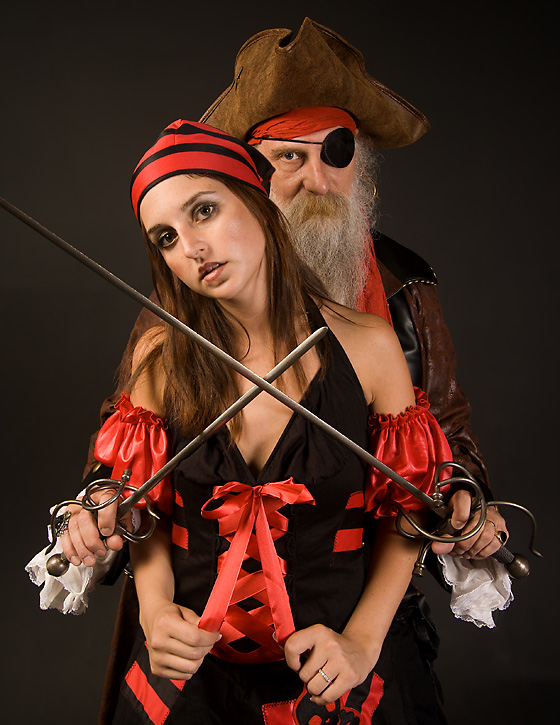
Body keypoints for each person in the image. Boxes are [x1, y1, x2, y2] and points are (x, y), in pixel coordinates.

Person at [60, 119, 454, 723]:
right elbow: (145, 509)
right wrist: (156, 611)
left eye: (205, 211)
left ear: (259, 204)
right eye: (166, 237)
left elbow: (409, 513)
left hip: (343, 678)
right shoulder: (161, 356)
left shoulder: (370, 347)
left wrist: (361, 642)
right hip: (195, 686)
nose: (191, 248)